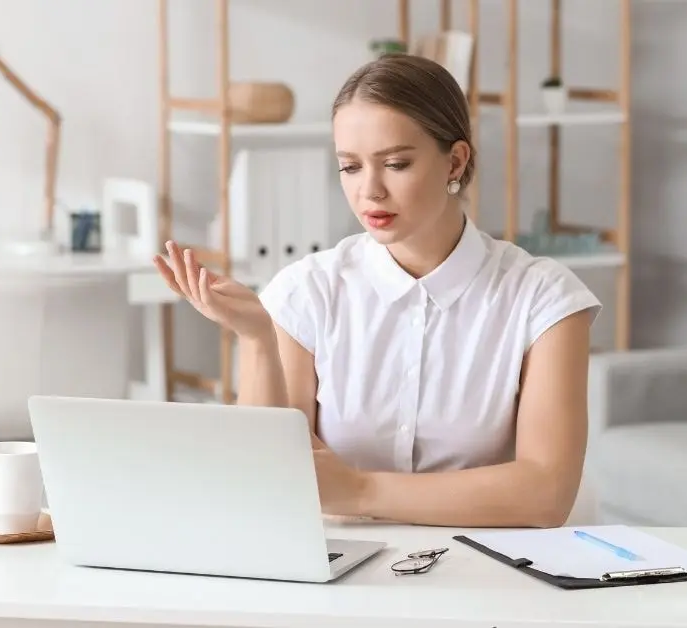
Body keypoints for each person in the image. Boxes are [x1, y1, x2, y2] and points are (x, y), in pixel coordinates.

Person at [152, 53, 601, 529]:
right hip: (333, 572)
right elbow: (264, 480)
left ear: (456, 160)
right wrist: (257, 340)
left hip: (487, 575)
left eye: (396, 163)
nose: (370, 191)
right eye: (350, 167)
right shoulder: (307, 291)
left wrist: (358, 488)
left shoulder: (544, 300)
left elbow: (546, 494)